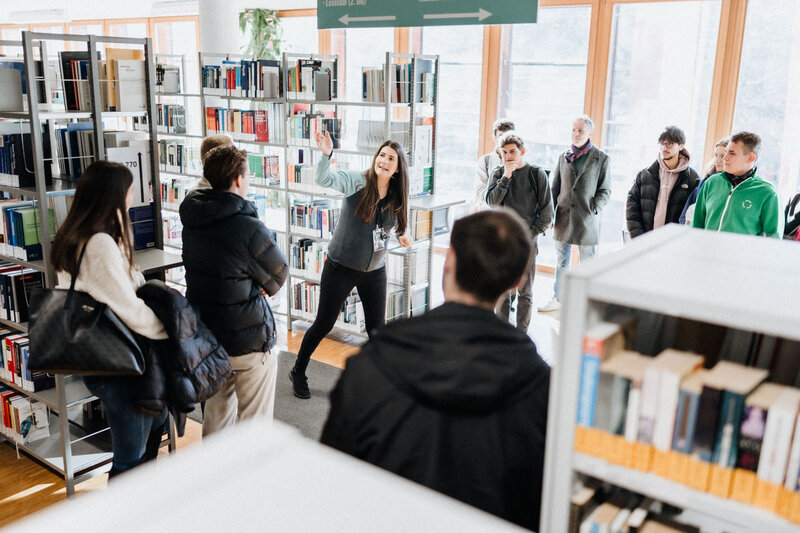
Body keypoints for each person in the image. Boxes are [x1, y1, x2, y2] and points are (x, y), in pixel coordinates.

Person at [320, 210, 550, 531]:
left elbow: (333, 484)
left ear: (449, 261)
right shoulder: (544, 391)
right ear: (517, 281)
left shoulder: (371, 362)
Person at [50, 160, 169, 477]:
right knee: (130, 458)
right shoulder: (99, 244)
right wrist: (173, 329)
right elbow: (129, 308)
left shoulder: (77, 234)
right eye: (129, 191)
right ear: (114, 196)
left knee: (150, 432)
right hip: (119, 365)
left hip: (104, 358)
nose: (133, 197)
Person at [289, 131, 412, 400]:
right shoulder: (357, 180)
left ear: (397, 168)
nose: (384, 160)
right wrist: (326, 155)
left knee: (376, 330)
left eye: (391, 158)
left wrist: (405, 236)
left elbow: (402, 226)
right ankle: (298, 371)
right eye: (382, 155)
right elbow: (325, 178)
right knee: (323, 323)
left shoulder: (397, 194)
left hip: (375, 271)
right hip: (341, 266)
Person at [180, 145, 288, 436]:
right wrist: (255, 283)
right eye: (248, 175)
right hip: (249, 340)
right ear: (239, 180)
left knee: (216, 423)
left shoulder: (192, 220)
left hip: (208, 338)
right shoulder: (249, 227)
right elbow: (278, 278)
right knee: (254, 428)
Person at [539, 115, 610, 312]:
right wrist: (551, 215)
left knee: (588, 262)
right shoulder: (563, 156)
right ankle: (558, 298)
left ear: (589, 133)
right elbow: (554, 188)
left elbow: (606, 190)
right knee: (562, 261)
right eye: (573, 130)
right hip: (563, 217)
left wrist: (593, 208)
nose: (576, 134)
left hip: (586, 218)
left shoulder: (601, 158)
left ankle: (588, 301)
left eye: (580, 130)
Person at [486, 131, 553, 331]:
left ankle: (521, 333)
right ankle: (502, 333)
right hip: (503, 242)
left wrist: (528, 236)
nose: (508, 156)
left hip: (528, 242)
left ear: (522, 151)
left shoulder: (536, 174)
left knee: (525, 291)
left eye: (513, 151)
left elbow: (547, 213)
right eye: (504, 152)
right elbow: (492, 201)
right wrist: (506, 177)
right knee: (504, 290)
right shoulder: (498, 173)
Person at [692, 131, 782, 237]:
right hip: (706, 252)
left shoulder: (768, 193)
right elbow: (696, 225)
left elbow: (772, 238)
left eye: (732, 153)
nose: (725, 158)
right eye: (726, 152)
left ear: (750, 158)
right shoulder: (711, 183)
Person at [626, 126, 700, 238]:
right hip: (644, 239)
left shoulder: (692, 178)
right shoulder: (645, 174)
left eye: (669, 144)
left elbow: (692, 215)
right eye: (662, 143)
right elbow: (632, 207)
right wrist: (637, 236)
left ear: (681, 145)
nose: (664, 148)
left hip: (672, 242)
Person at [679, 137, 728, 225]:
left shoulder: (734, 187)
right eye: (716, 155)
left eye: (722, 156)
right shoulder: (705, 183)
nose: (718, 160)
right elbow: (684, 216)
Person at [475, 118, 515, 210]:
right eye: (501, 136)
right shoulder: (485, 161)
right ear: (494, 137)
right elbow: (480, 190)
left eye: (508, 136)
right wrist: (495, 198)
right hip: (488, 215)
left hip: (511, 217)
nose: (505, 140)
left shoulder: (520, 163)